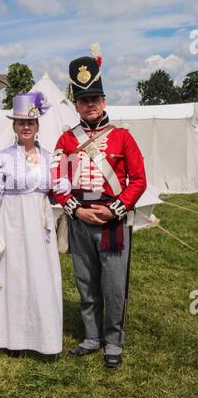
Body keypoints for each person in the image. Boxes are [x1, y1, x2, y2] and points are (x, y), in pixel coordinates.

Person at [51, 45, 147, 367]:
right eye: (83, 100)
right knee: (86, 281)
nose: (89, 105)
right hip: (80, 219)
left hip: (113, 222)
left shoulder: (122, 137)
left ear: (103, 102)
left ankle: (113, 341)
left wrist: (115, 209)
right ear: (76, 105)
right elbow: (57, 182)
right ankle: (92, 337)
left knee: (114, 284)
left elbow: (138, 180)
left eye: (94, 99)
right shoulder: (66, 140)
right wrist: (77, 210)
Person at [0, 92, 63, 355]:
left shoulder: (50, 158)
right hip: (11, 223)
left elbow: (54, 193)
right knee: (12, 276)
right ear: (13, 127)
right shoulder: (1, 157)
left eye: (31, 122)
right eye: (20, 122)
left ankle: (41, 337)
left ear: (37, 127)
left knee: (39, 275)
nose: (26, 127)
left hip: (39, 226)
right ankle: (8, 337)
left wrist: (62, 186)